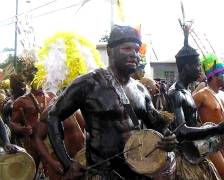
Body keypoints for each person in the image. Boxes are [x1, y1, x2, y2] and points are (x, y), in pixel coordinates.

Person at [47, 25, 177, 179]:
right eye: (127, 49)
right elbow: (53, 116)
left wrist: (169, 140)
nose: (134, 54)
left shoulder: (141, 91)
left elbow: (158, 127)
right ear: (110, 51)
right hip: (102, 174)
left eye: (136, 50)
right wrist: (67, 162)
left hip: (138, 174)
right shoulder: (89, 83)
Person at [167, 22, 224, 180]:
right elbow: (182, 131)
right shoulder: (176, 93)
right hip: (183, 157)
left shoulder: (188, 91)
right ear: (186, 67)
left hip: (197, 152)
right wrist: (215, 129)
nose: (200, 69)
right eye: (196, 65)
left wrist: (186, 37)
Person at [193, 54, 224, 180]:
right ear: (214, 76)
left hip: (222, 142)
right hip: (209, 142)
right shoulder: (201, 95)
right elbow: (188, 117)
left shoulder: (222, 95)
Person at [31, 95, 85, 179]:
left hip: (80, 158)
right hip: (60, 161)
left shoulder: (75, 109)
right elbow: (38, 138)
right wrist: (51, 161)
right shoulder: (49, 113)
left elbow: (84, 130)